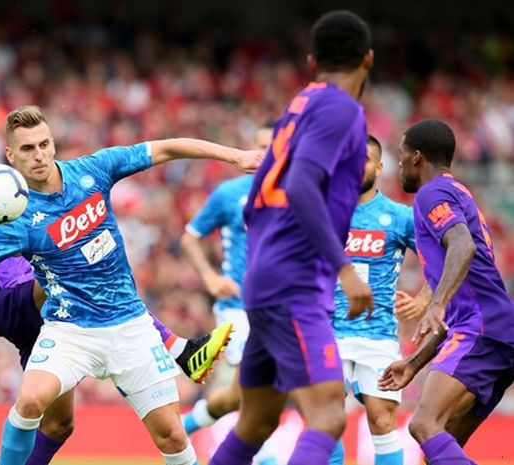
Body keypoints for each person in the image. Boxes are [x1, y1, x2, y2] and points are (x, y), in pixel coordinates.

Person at [0, 92, 234, 464]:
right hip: (9, 296)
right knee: (73, 265)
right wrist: (32, 244)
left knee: (59, 424)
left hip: (39, 301)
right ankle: (177, 349)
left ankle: (170, 353)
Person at [0, 105, 261, 465]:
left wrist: (235, 155)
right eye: (27, 149)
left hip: (131, 327)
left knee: (174, 436)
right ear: (10, 155)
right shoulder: (13, 218)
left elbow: (165, 148)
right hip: (70, 331)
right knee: (31, 400)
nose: (38, 155)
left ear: (53, 144)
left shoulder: (92, 170)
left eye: (43, 144)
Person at [209, 10, 375, 465]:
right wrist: (343, 267)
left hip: (265, 282)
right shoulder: (341, 108)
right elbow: (301, 185)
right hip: (296, 285)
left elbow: (254, 203)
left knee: (257, 422)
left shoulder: (299, 107)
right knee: (326, 416)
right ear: (368, 60)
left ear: (310, 60)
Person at [378, 119, 514, 464]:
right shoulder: (459, 193)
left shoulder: (432, 193)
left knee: (424, 424)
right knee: (436, 450)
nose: (399, 165)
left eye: (402, 156)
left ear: (417, 158)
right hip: (494, 330)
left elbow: (462, 245)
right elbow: (462, 297)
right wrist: (413, 362)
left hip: (480, 330)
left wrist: (435, 304)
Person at [180, 123, 278, 465]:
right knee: (257, 390)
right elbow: (190, 236)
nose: (268, 154)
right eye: (262, 146)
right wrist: (209, 277)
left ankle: (186, 424)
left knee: (237, 395)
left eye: (275, 146)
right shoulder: (229, 194)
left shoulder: (297, 194)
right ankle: (265, 458)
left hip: (278, 310)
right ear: (251, 147)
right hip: (237, 308)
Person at [329, 135, 430, 465]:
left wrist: (424, 300)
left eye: (364, 162)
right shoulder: (325, 214)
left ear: (379, 167)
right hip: (330, 332)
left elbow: (441, 263)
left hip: (379, 335)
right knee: (326, 417)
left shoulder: (399, 217)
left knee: (381, 419)